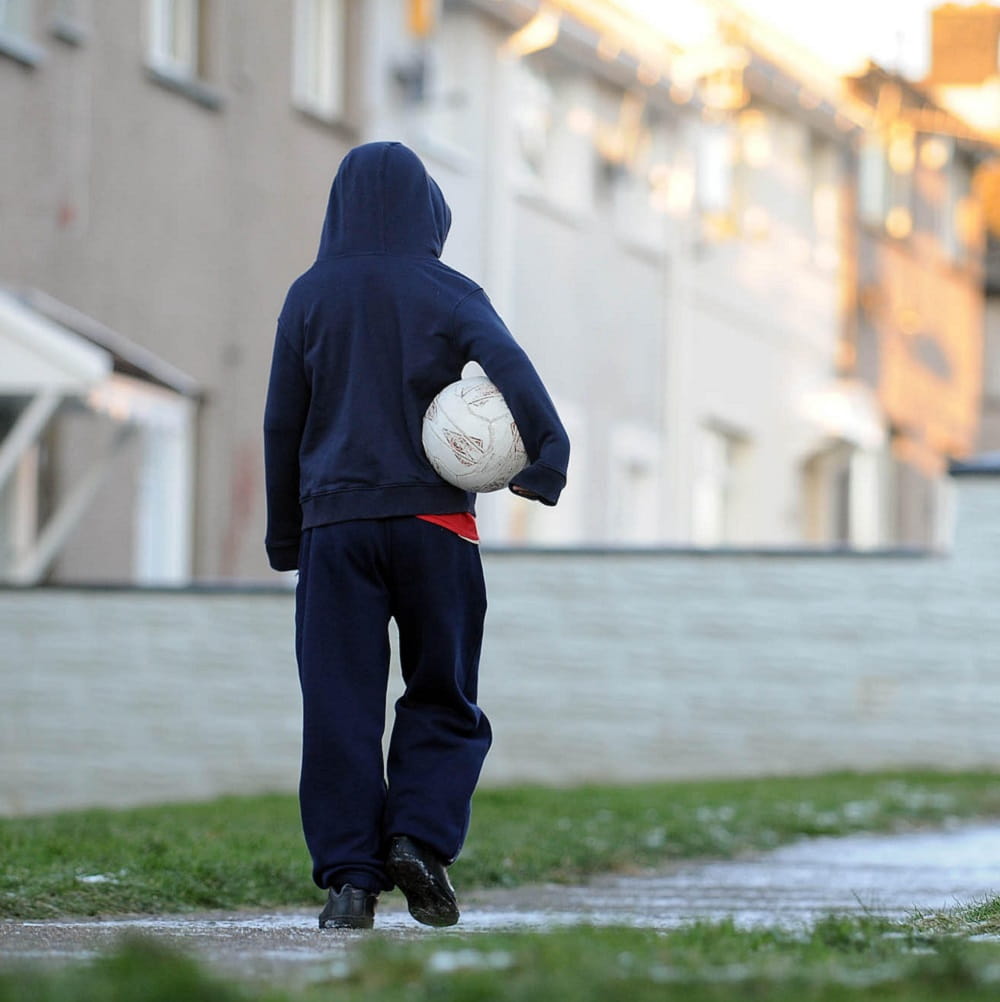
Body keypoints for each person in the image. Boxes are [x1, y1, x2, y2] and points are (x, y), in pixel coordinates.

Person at [263, 141, 569, 930]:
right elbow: (512, 367)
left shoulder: (308, 297)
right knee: (442, 691)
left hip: (335, 528)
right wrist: (546, 461)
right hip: (436, 525)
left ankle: (350, 885)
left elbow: (281, 422)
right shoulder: (449, 289)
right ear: (428, 212)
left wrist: (284, 534)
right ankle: (419, 840)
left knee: (341, 706)